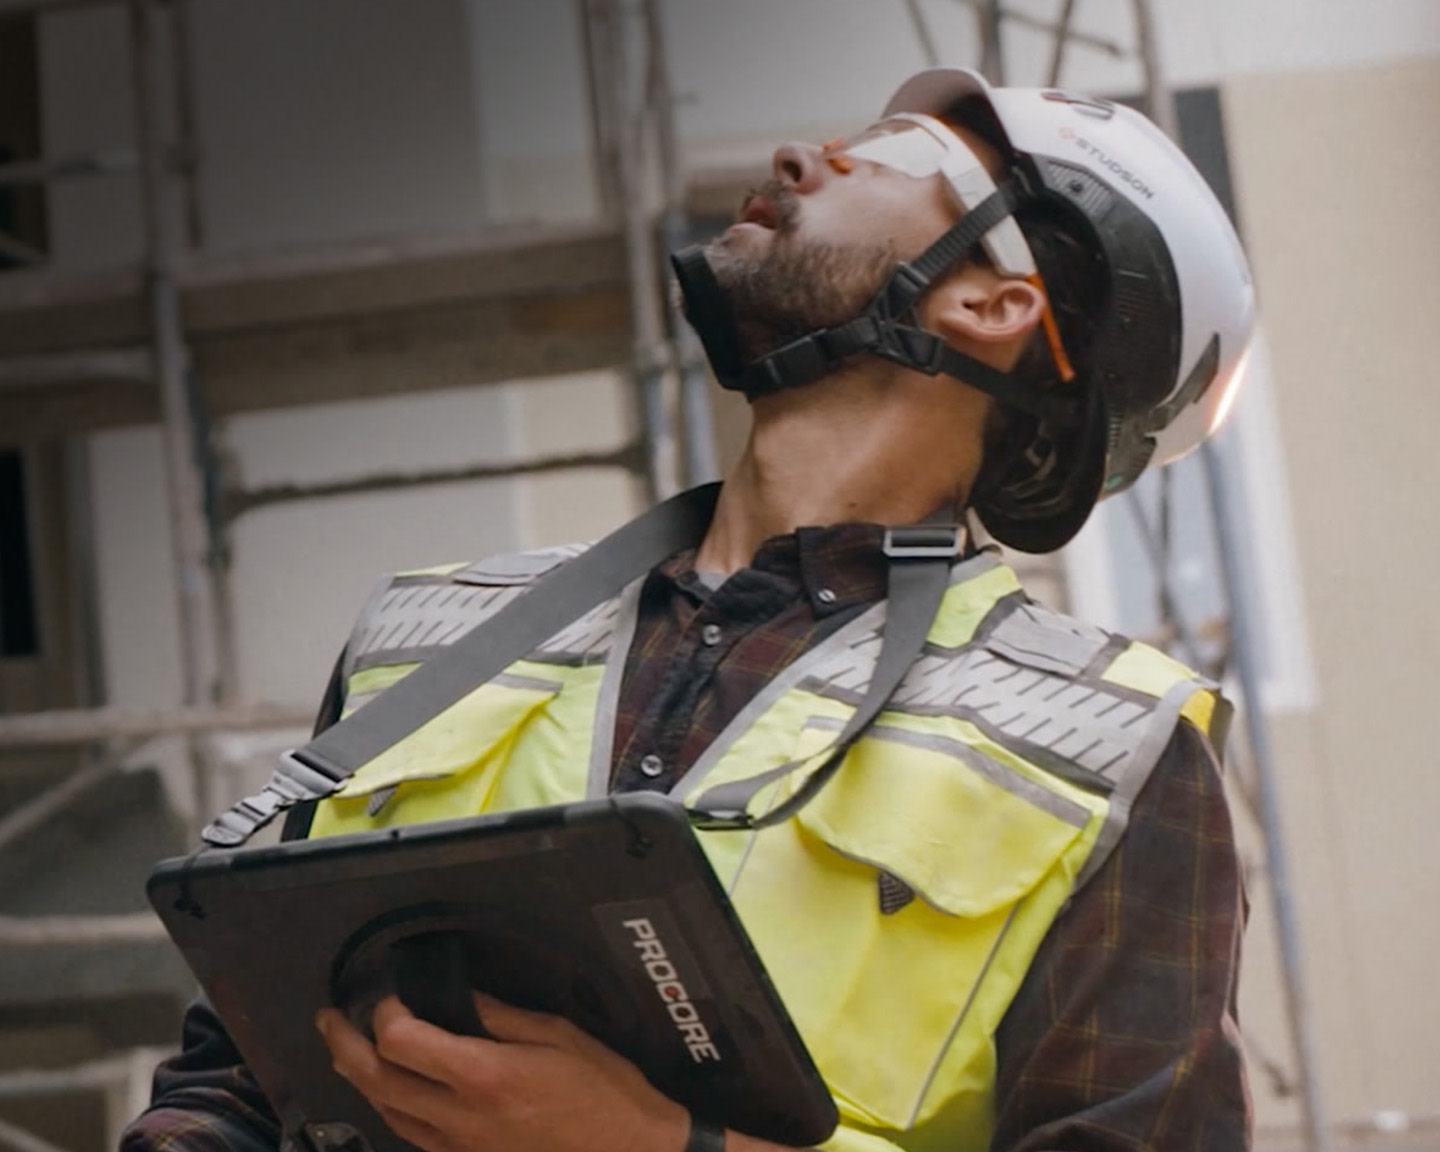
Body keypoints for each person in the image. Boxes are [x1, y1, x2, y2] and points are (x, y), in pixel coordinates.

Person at [125, 66, 1254, 1152]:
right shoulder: (428, 639)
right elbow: (239, 1080)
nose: (799, 158)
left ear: (991, 300)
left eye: (893, 158)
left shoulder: (1111, 759)